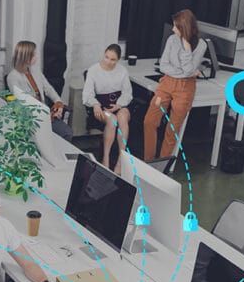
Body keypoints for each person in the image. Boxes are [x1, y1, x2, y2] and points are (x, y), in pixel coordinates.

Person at [143, 9, 207, 161]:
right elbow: (163, 66)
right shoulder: (172, 40)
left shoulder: (201, 45)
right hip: (167, 83)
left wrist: (186, 49)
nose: (172, 29)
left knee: (172, 129)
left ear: (184, 27)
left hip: (185, 88)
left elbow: (187, 72)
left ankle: (162, 165)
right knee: (149, 121)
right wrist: (187, 71)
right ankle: (148, 161)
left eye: (176, 27)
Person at [7, 41, 73, 142]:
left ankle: (57, 156)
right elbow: (25, 103)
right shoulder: (12, 77)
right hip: (30, 118)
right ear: (26, 57)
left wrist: (58, 103)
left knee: (67, 133)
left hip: (45, 114)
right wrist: (48, 114)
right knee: (45, 138)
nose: (36, 57)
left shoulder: (35, 70)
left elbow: (48, 88)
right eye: (33, 55)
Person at [83, 44, 133, 174]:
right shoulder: (93, 70)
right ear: (103, 54)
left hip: (119, 104)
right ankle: (106, 159)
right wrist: (95, 104)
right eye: (106, 57)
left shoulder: (122, 71)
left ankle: (120, 162)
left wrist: (119, 104)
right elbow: (87, 94)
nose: (108, 62)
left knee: (122, 117)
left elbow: (128, 93)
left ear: (118, 60)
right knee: (113, 119)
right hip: (102, 106)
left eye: (112, 59)